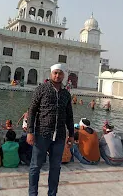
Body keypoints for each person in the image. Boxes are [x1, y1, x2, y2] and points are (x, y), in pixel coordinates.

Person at [27, 63, 74, 196]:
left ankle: (52, 194)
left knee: (55, 168)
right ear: (51, 74)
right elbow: (32, 111)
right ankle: (32, 194)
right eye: (55, 73)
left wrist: (71, 134)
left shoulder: (66, 94)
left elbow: (69, 116)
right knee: (35, 166)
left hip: (59, 136)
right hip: (42, 133)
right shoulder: (41, 89)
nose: (57, 76)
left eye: (60, 73)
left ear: (64, 75)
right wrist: (30, 131)